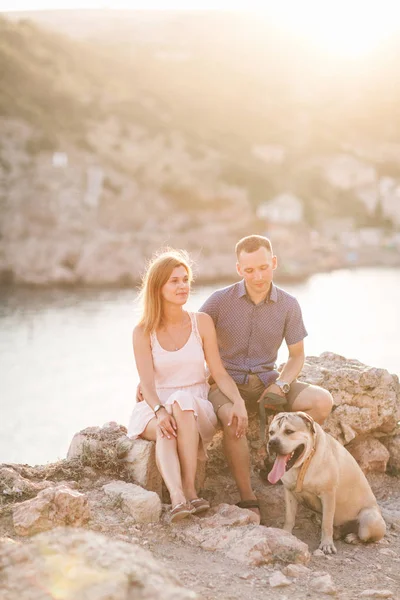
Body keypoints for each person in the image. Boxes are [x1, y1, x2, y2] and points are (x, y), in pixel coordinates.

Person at [198, 234, 334, 514]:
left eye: (263, 267)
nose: (257, 276)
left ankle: (278, 464)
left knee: (322, 401)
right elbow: (185, 337)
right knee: (232, 418)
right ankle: (248, 498)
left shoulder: (288, 304)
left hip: (268, 382)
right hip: (225, 383)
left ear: (273, 262)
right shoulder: (218, 301)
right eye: (249, 270)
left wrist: (282, 384)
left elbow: (297, 356)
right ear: (239, 269)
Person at [128, 248, 248, 523]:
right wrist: (159, 411)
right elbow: (146, 382)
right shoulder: (142, 331)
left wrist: (238, 401)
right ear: (158, 287)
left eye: (185, 279)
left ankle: (189, 491)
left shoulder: (202, 323)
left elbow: (218, 372)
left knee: (183, 403)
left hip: (196, 405)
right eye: (174, 281)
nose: (183, 286)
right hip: (155, 405)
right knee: (165, 427)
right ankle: (181, 498)